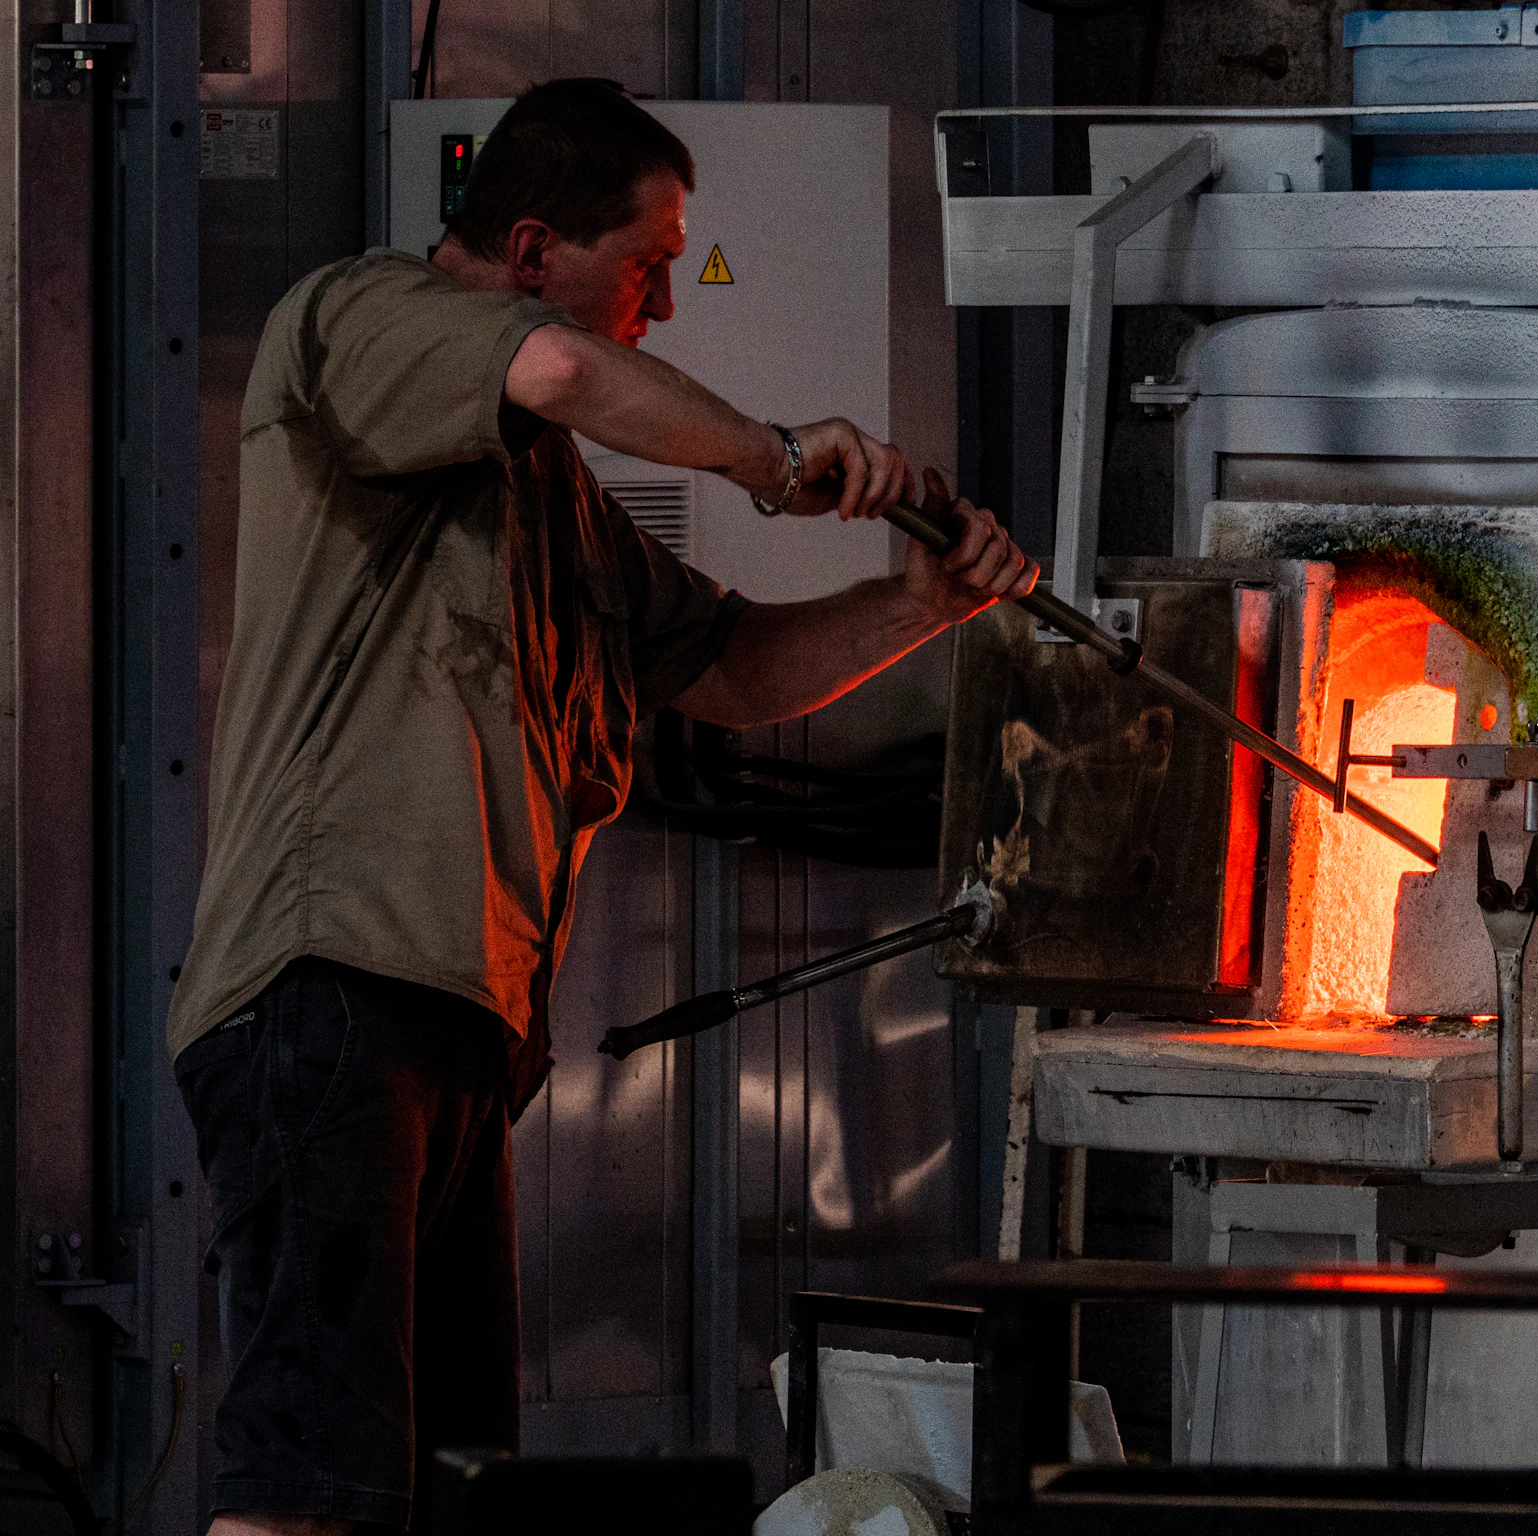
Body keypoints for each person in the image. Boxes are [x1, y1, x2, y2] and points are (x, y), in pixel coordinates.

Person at [167, 77, 1036, 1536]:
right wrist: (774, 461)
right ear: (526, 251)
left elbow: (737, 673)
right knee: (310, 1483)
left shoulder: (561, 505)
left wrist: (919, 603)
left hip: (461, 1026)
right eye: (647, 264)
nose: (667, 306)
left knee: (451, 1488)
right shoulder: (352, 320)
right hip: (328, 993)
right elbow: (561, 373)